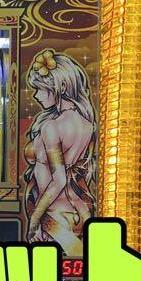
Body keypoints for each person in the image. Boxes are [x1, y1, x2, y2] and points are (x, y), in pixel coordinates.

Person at [22, 49, 97, 256]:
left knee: (49, 272)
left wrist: (34, 220)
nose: (36, 95)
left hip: (54, 214)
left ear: (61, 87)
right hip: (77, 210)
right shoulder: (86, 124)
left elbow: (59, 179)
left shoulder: (52, 127)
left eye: (40, 89)